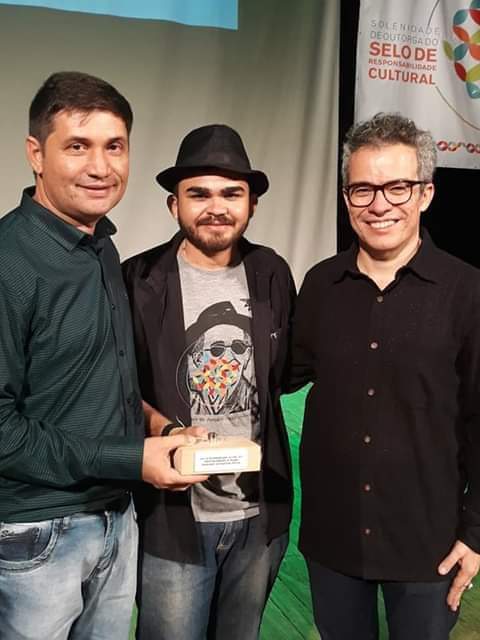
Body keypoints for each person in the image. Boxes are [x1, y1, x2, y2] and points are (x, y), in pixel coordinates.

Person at [0, 71, 204, 640]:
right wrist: (132, 458)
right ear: (35, 154)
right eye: (77, 146)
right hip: (37, 534)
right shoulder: (9, 261)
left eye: (114, 146)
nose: (100, 166)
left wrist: (161, 428)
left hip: (116, 518)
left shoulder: (101, 247)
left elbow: (91, 384)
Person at [291, 112, 480, 640]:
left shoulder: (468, 292)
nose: (380, 205)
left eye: (398, 187)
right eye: (363, 190)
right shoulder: (320, 285)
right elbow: (281, 373)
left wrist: (476, 533)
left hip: (429, 546)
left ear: (425, 193)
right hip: (333, 540)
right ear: (346, 196)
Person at [122, 123, 296, 640]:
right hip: (172, 518)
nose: (216, 207)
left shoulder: (272, 273)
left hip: (259, 519)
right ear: (173, 205)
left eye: (231, 194)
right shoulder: (136, 279)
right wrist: (166, 432)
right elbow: (118, 389)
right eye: (198, 194)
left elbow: (285, 373)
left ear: (251, 205)